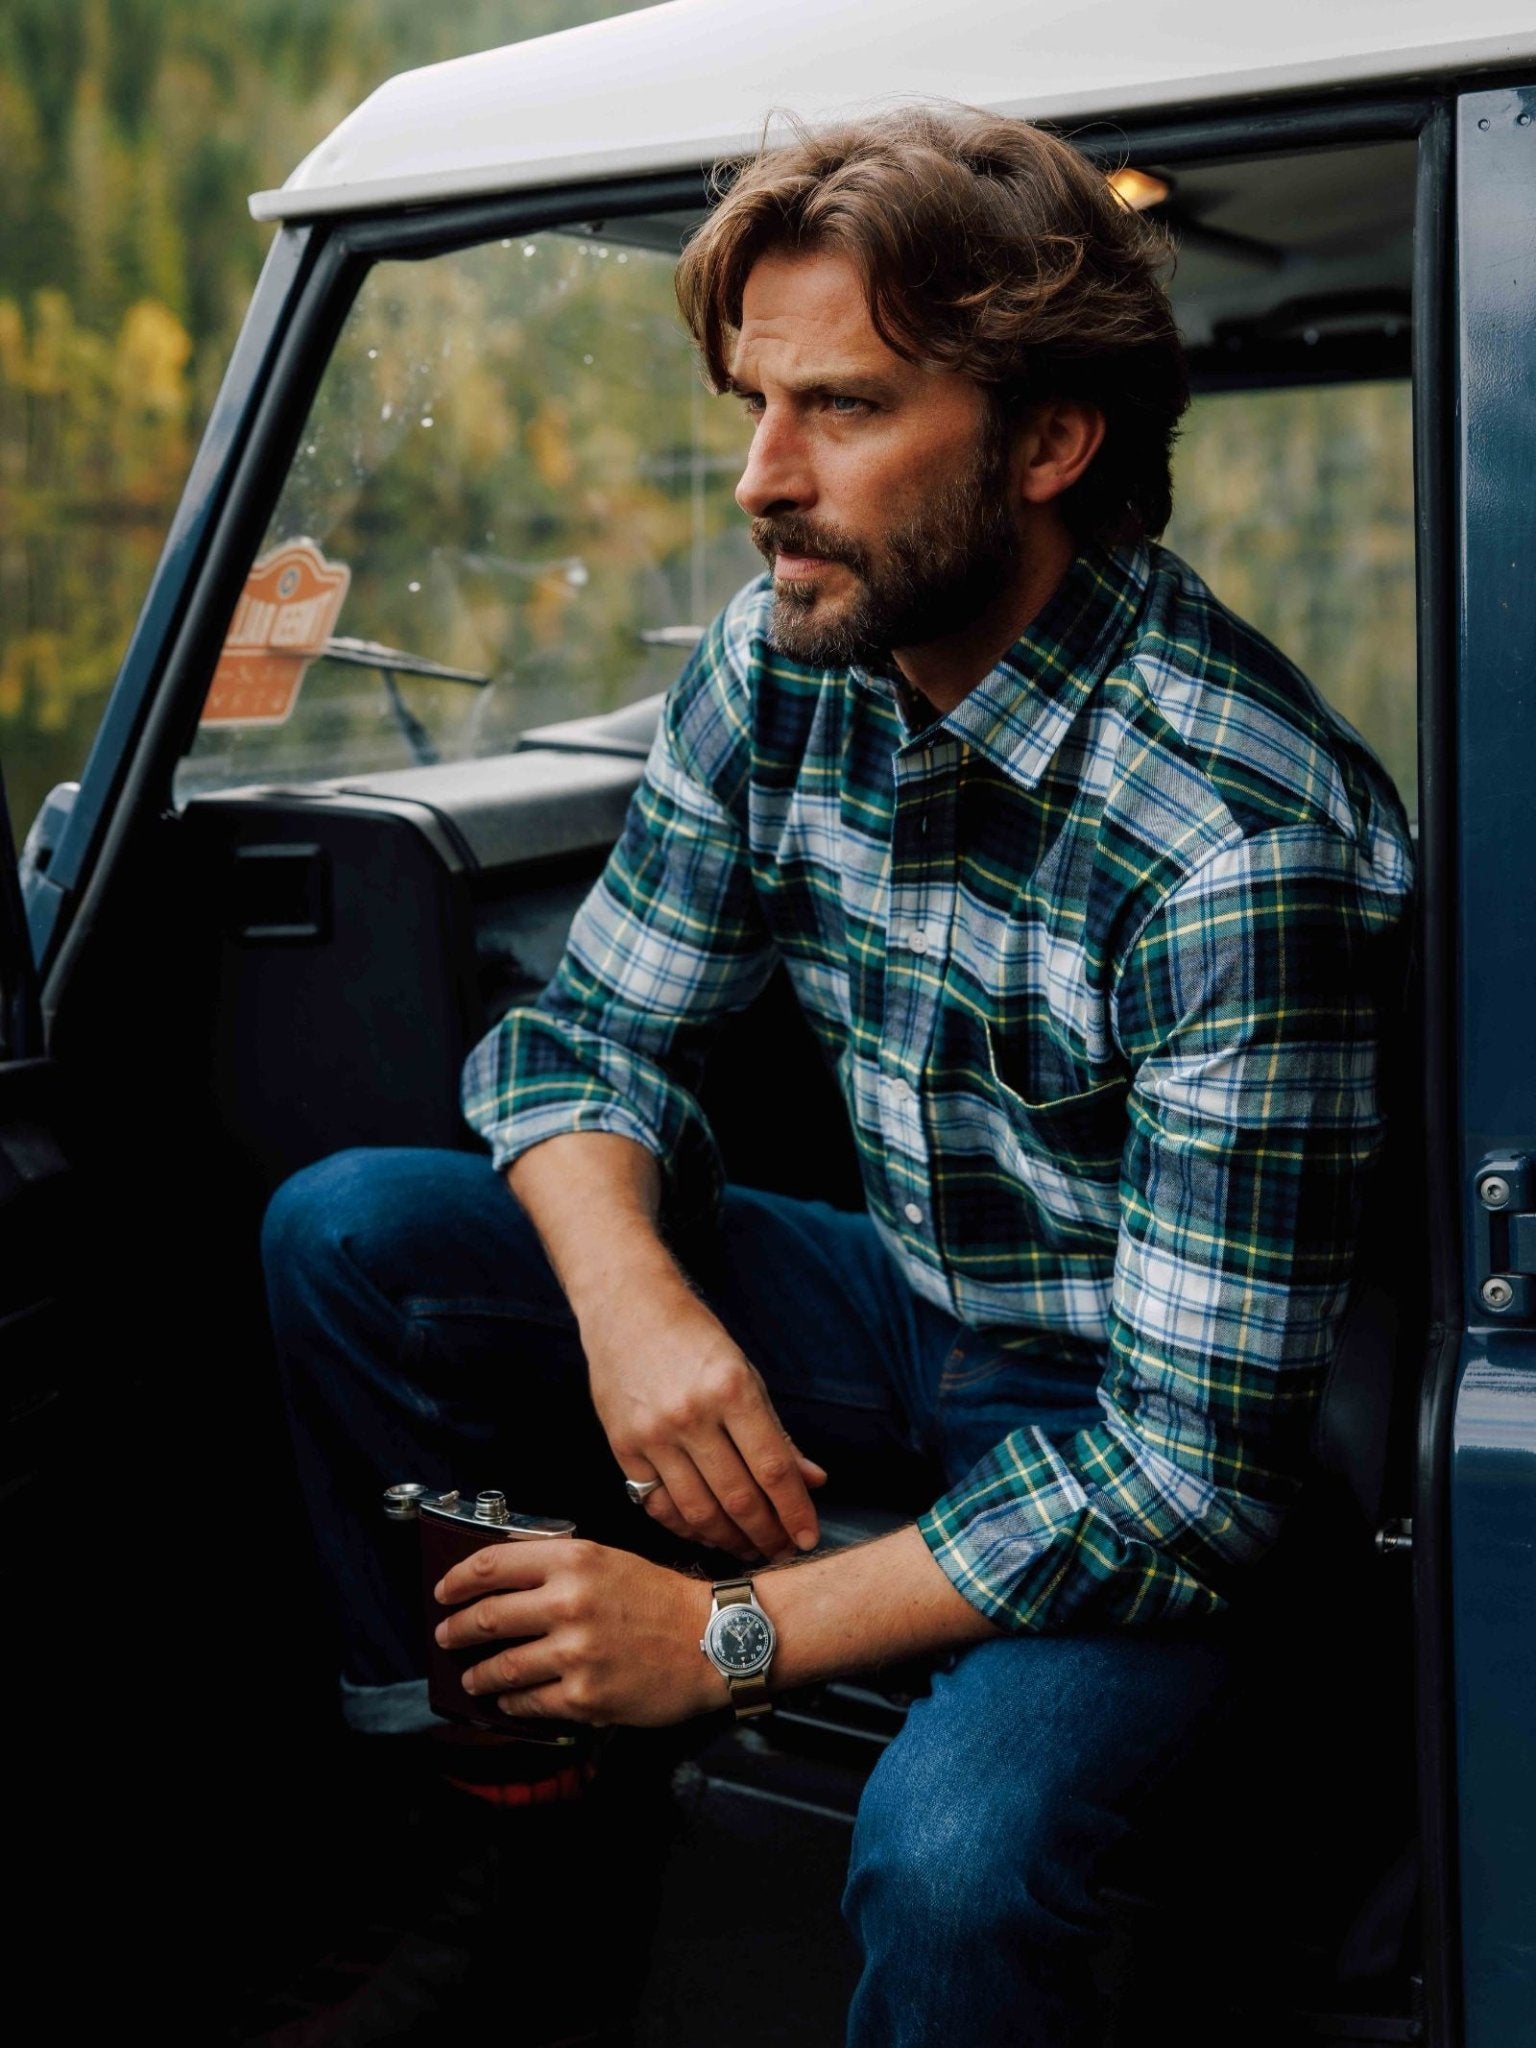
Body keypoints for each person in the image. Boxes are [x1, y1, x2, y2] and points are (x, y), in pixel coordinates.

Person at [263, 109, 1414, 2047]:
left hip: (1159, 1420)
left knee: (951, 1863)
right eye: (754, 404)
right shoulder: (785, 657)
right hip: (911, 1310)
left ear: (1050, 443)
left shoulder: (1237, 838)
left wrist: (718, 1636)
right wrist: (634, 1309)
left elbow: (1186, 1481)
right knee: (357, 1238)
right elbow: (583, 1041)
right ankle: (506, 1844)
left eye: (844, 409)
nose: (760, 480)